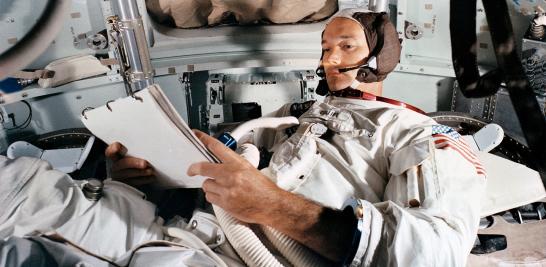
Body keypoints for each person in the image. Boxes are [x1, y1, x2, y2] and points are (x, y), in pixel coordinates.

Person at [106, 8, 486, 266]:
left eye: (346, 47)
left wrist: (272, 206)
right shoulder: (296, 116)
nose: (330, 60)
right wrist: (148, 176)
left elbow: (438, 250)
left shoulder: (413, 130)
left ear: (381, 56)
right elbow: (233, 160)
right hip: (192, 235)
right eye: (325, 49)